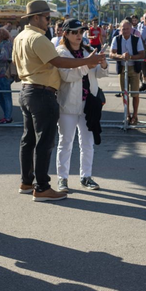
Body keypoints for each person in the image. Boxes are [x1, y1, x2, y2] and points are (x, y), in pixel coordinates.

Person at [13, 1, 104, 201]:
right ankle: (43, 187)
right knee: (45, 142)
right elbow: (59, 62)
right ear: (36, 17)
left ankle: (26, 182)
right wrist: (87, 62)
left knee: (28, 140)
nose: (49, 21)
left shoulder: (20, 36)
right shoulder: (39, 38)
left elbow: (15, 65)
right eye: (47, 17)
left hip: (27, 89)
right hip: (42, 93)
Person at [55, 19, 109, 192]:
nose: (79, 35)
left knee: (87, 142)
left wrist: (102, 63)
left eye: (80, 31)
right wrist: (88, 64)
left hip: (89, 104)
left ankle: (86, 176)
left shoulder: (87, 50)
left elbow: (99, 74)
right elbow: (67, 77)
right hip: (69, 104)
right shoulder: (61, 52)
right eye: (74, 32)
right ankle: (62, 178)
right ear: (66, 34)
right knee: (66, 142)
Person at [109, 20, 145, 125]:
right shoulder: (116, 39)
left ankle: (135, 115)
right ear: (120, 30)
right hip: (122, 69)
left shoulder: (136, 39)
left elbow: (142, 54)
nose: (125, 31)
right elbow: (111, 54)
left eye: (127, 29)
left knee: (135, 94)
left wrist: (130, 57)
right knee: (124, 93)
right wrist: (121, 57)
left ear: (131, 29)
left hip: (134, 68)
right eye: (123, 29)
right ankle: (127, 115)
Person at [0, 27, 14, 124]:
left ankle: (8, 117)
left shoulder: (5, 44)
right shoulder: (7, 43)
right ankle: (7, 115)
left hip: (4, 73)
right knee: (0, 94)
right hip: (3, 73)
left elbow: (4, 57)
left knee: (5, 95)